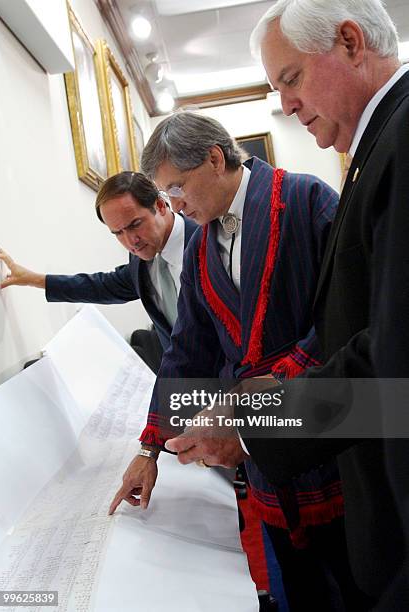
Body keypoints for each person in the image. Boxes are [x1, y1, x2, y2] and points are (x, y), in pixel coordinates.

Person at [167, 1, 409, 608]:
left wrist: (255, 423)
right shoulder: (375, 150)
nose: (286, 104)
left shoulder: (393, 147)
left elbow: (391, 369)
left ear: (351, 42)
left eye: (292, 78)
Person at [108, 112, 368, 610]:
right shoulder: (203, 243)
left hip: (331, 437)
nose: (175, 203)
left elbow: (347, 317)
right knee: (300, 587)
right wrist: (150, 449)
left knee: (359, 581)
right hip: (261, 459)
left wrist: (266, 391)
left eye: (178, 187)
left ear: (214, 158)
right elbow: (187, 349)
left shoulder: (307, 200)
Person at [0, 172, 198, 372]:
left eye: (135, 224)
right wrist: (32, 279)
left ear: (160, 206)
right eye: (118, 233)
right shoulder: (141, 258)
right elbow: (102, 286)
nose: (130, 242)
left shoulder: (206, 238)